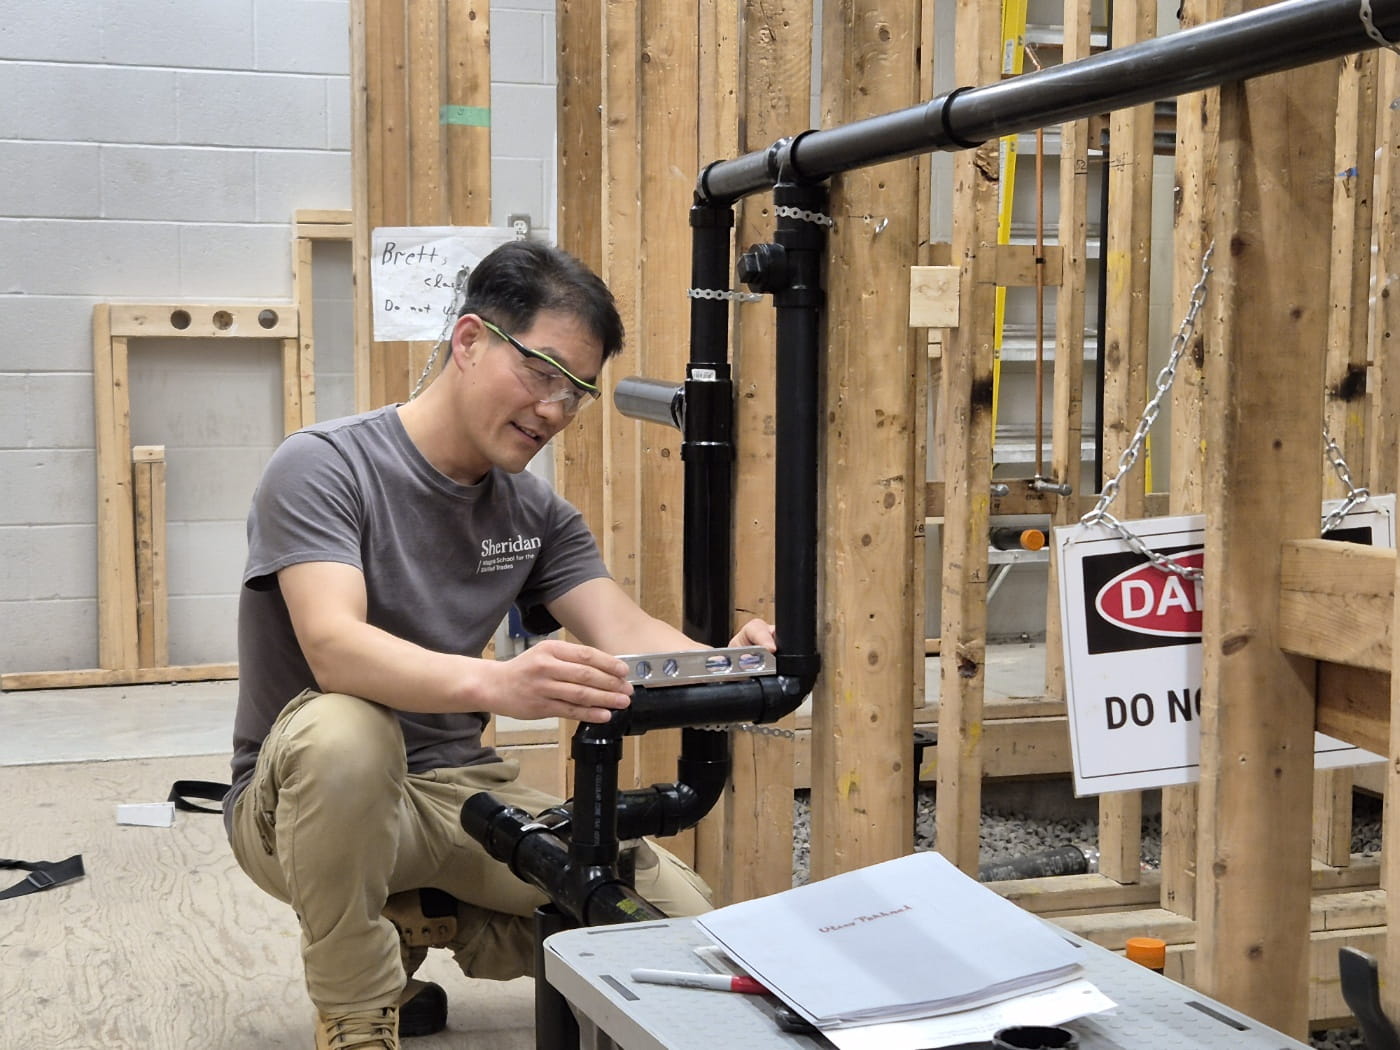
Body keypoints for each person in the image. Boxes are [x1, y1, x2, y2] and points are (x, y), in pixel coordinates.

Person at [225, 239, 776, 1050]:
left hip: (457, 794)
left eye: (578, 390)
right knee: (349, 730)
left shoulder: (535, 515)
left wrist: (731, 662)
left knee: (680, 930)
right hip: (305, 801)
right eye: (542, 373)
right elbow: (335, 649)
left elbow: (627, 636)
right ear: (471, 340)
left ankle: (426, 924)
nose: (556, 409)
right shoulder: (324, 467)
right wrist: (501, 684)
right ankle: (355, 1012)